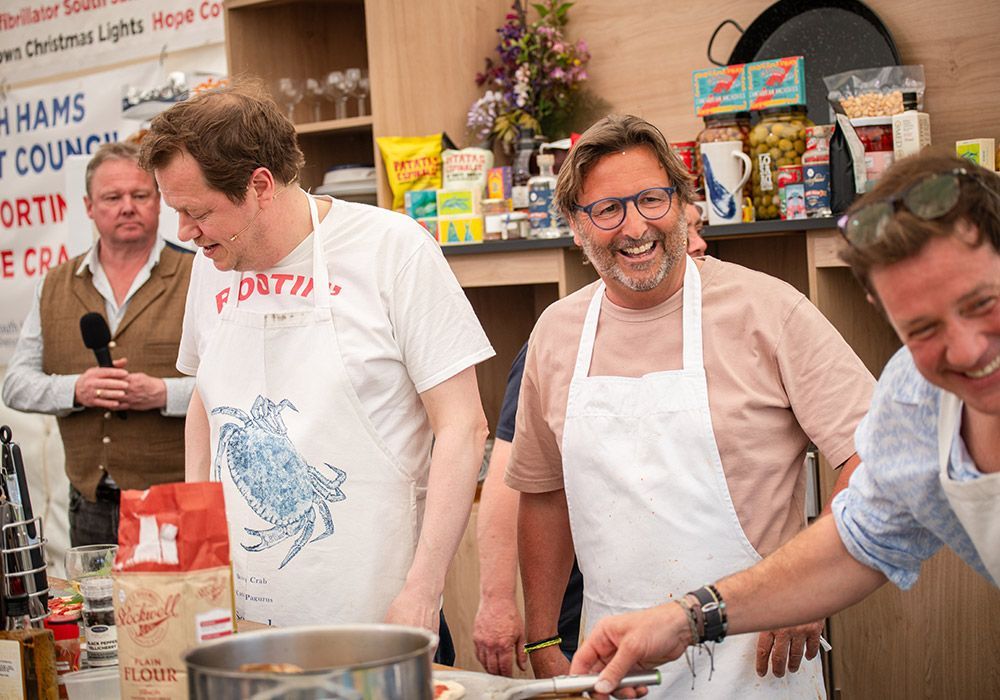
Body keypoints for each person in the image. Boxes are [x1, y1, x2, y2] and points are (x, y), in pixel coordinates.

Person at [569, 151, 1000, 697]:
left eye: (983, 303)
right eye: (921, 329)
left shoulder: (769, 309)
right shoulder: (918, 404)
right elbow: (857, 539)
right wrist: (682, 619)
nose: (964, 349)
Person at [505, 114, 876, 698]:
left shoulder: (768, 310)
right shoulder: (555, 332)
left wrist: (813, 585)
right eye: (607, 210)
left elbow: (870, 458)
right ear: (577, 227)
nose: (635, 227)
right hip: (615, 663)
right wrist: (543, 638)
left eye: (652, 199)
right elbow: (544, 493)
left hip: (756, 656)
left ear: (684, 205)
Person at [138, 81, 494, 653]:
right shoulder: (213, 264)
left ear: (258, 186)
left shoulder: (391, 250)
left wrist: (424, 590)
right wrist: (195, 557)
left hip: (378, 615)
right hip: (244, 615)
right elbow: (204, 405)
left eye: (196, 212)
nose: (183, 233)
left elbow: (463, 427)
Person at [473, 213, 709, 677]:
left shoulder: (740, 322)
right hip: (591, 609)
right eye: (691, 229)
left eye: (700, 229)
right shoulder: (561, 337)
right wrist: (499, 601)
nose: (698, 244)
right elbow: (516, 483)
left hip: (729, 618)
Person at [2, 142, 194, 547]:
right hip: (89, 504)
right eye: (113, 197)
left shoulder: (199, 275)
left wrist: (162, 393)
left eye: (140, 195)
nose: (127, 206)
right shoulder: (55, 284)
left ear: (159, 202)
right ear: (89, 206)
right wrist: (76, 389)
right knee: (96, 610)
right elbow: (15, 384)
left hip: (173, 502)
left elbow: (232, 384)